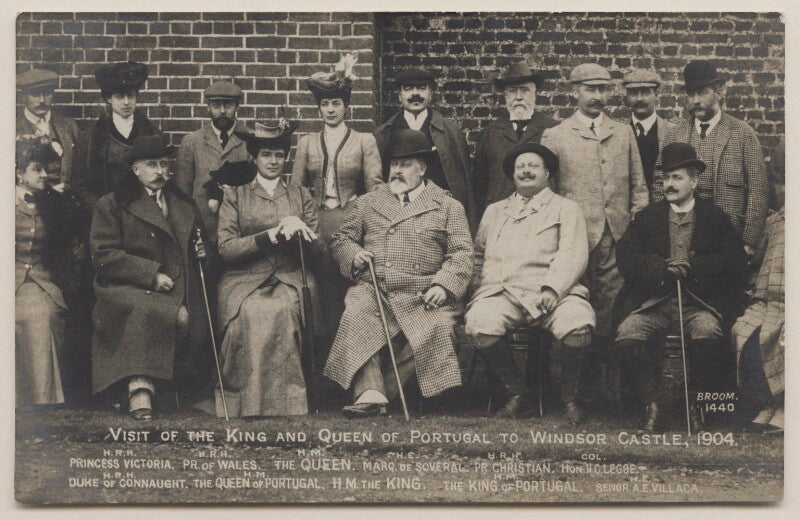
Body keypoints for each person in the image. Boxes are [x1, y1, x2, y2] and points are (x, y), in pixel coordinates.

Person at [323, 129, 474, 417]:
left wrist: (443, 286)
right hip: (375, 286)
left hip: (425, 292)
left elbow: (462, 253)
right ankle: (369, 392)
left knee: (437, 329)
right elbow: (341, 238)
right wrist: (355, 255)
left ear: (422, 168)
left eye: (406, 165)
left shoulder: (447, 206)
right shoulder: (368, 202)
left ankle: (385, 391)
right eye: (394, 165)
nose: (398, 171)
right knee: (357, 312)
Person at [615, 143, 747, 432]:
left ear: (694, 181)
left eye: (677, 178)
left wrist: (693, 265)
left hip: (699, 302)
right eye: (666, 179)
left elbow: (734, 262)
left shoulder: (715, 218)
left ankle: (696, 405)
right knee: (628, 333)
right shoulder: (647, 218)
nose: (669, 185)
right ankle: (653, 405)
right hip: (655, 301)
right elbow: (626, 256)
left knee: (708, 332)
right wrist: (660, 268)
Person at [540, 62, 649, 403]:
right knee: (574, 307)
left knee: (611, 309)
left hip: (615, 238)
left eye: (603, 90)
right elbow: (549, 194)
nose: (597, 96)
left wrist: (633, 223)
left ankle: (610, 389)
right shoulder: (556, 135)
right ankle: (575, 389)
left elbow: (639, 186)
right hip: (573, 240)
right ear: (575, 91)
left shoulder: (623, 132)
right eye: (591, 89)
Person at [465, 143, 595, 422]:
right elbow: (477, 255)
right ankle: (518, 394)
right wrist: (478, 291)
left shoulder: (566, 208)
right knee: (479, 323)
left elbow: (573, 252)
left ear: (547, 173)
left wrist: (553, 288)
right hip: (503, 292)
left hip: (552, 291)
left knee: (578, 323)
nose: (526, 171)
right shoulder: (495, 211)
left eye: (533, 166)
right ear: (512, 175)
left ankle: (570, 397)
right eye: (520, 167)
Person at [89, 135, 213, 420]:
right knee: (159, 312)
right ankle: (139, 388)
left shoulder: (183, 204)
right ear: (136, 170)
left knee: (193, 320)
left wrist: (201, 253)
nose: (159, 171)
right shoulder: (112, 204)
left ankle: (166, 388)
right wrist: (150, 275)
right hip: (125, 286)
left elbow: (198, 249)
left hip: (177, 283)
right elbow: (103, 255)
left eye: (164, 164)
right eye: (151, 165)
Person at [213, 120, 326, 417]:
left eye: (278, 155)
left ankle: (289, 402)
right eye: (266, 155)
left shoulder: (300, 195)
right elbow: (226, 248)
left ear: (285, 158)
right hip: (244, 279)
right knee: (250, 313)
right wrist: (269, 236)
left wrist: (303, 232)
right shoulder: (236, 195)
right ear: (254, 157)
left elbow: (320, 253)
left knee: (285, 311)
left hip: (290, 277)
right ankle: (245, 402)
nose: (273, 161)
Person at [291, 55, 383, 343]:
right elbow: (295, 188)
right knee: (319, 285)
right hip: (315, 221)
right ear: (319, 108)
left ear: (347, 107)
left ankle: (350, 343)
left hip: (351, 219)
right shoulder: (306, 142)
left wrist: (370, 224)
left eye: (336, 104)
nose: (330, 110)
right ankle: (321, 345)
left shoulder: (364, 140)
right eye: (325, 104)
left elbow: (375, 188)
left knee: (348, 285)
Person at [659, 60, 768, 263]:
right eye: (690, 95)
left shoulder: (742, 133)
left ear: (720, 92)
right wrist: (661, 234)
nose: (695, 100)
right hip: (681, 236)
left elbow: (758, 190)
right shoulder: (674, 134)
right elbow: (659, 183)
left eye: (702, 93)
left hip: (729, 237)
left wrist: (750, 241)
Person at [15, 138, 81, 409]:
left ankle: (42, 399)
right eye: (37, 169)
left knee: (40, 314)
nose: (44, 175)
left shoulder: (51, 202)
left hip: (38, 279)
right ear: (19, 173)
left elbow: (68, 241)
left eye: (46, 169)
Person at [374, 68, 477, 233]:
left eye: (422, 88)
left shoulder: (450, 131)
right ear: (399, 96)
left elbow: (464, 181)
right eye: (408, 89)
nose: (415, 94)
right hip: (396, 215)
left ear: (431, 93)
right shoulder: (383, 133)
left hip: (439, 215)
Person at [732, 138, 784, 432]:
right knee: (745, 332)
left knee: (781, 337)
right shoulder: (774, 223)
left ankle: (786, 406)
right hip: (766, 300)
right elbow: (756, 264)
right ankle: (767, 402)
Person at [473, 60, 559, 217]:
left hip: (543, 216)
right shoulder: (490, 132)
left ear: (534, 95)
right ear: (506, 96)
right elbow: (479, 184)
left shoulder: (554, 129)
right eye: (513, 91)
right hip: (500, 217)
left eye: (524, 91)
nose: (518, 97)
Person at [73, 61, 162, 208]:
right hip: (105, 214)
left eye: (131, 95)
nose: (126, 102)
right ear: (109, 98)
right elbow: (80, 185)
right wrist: (103, 210)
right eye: (120, 96)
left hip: (144, 212)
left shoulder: (153, 135)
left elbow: (160, 180)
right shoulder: (89, 138)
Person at [175, 80, 251, 247]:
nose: (222, 111)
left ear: (237, 106)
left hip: (241, 233)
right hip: (203, 233)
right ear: (208, 107)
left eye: (228, 105)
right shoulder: (192, 142)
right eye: (216, 105)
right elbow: (182, 195)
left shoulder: (250, 141)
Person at [16, 68, 81, 193]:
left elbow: (81, 170)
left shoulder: (69, 125)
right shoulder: (13, 129)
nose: (42, 100)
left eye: (46, 94)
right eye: (35, 94)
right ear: (24, 96)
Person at [622, 68, 673, 194]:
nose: (639, 99)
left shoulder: (672, 132)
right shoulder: (619, 133)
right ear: (627, 96)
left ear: (656, 95)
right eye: (633, 93)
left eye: (645, 92)